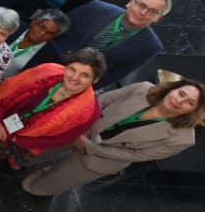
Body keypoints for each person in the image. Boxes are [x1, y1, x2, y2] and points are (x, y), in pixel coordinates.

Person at [0, 49, 107, 182]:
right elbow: (9, 89)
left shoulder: (89, 111)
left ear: (95, 80)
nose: (75, 77)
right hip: (1, 115)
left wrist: (18, 139)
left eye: (85, 75)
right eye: (72, 69)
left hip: (24, 139)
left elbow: (61, 138)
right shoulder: (47, 71)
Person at [21, 78, 205, 195]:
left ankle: (34, 188)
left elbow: (136, 155)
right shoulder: (144, 88)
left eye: (189, 102)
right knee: (40, 149)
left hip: (103, 158)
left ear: (194, 111)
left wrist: (89, 147)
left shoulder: (182, 139)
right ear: (172, 88)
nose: (178, 100)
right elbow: (104, 99)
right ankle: (20, 161)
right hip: (84, 128)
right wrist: (81, 125)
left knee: (56, 179)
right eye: (180, 93)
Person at [38, 0, 170, 88]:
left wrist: (83, 88)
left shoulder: (150, 45)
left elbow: (116, 74)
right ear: (130, 2)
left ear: (158, 18)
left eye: (153, 11)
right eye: (141, 5)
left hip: (76, 81)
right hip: (46, 61)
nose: (143, 12)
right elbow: (58, 28)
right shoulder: (96, 8)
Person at [3, 9, 70, 78]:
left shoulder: (50, 56)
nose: (42, 33)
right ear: (34, 21)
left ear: (54, 36)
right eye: (42, 27)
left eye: (50, 33)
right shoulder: (13, 26)